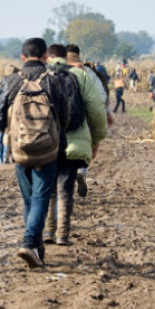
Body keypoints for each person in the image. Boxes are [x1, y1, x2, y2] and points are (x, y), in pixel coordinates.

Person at [0, 37, 71, 267]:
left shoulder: (11, 81)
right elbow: (65, 115)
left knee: (29, 199)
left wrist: (9, 131)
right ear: (46, 57)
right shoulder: (53, 81)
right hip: (47, 149)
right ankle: (30, 243)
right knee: (40, 198)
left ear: (22, 57)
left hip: (20, 150)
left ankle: (36, 248)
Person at [45, 44, 108, 246]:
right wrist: (95, 141)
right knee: (65, 190)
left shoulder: (42, 75)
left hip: (46, 142)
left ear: (48, 57)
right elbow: (97, 111)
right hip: (74, 143)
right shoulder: (81, 76)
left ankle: (48, 231)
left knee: (49, 189)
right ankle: (62, 234)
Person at [64, 44, 110, 200]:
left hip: (62, 120)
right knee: (83, 148)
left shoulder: (56, 71)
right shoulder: (89, 72)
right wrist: (97, 138)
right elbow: (101, 99)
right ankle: (81, 171)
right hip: (85, 118)